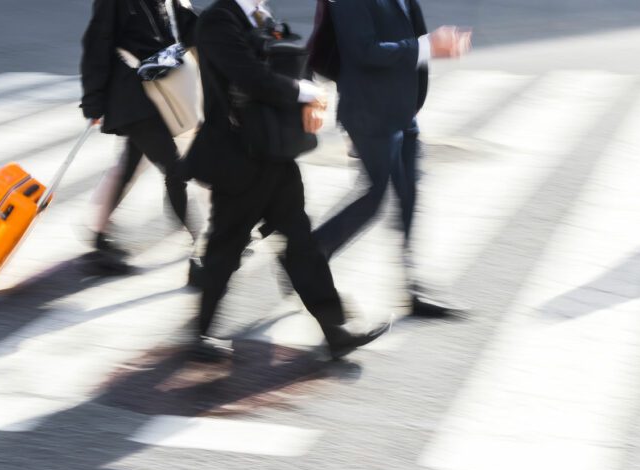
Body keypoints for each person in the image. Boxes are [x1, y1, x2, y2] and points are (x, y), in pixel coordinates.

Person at [184, 0, 389, 361]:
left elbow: (292, 59)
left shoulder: (260, 16)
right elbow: (248, 76)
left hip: (274, 155)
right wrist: (304, 92)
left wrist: (309, 94)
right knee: (225, 249)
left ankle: (335, 330)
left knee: (301, 243)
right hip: (239, 157)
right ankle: (199, 334)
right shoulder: (218, 19)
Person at [312, 0, 471, 317]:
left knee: (409, 194)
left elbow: (409, 28)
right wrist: (427, 46)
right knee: (376, 195)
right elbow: (364, 51)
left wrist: (418, 86)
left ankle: (411, 290)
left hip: (403, 108)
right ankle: (308, 254)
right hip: (368, 111)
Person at [80, 0, 200, 274]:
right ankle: (203, 242)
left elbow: (190, 24)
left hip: (157, 92)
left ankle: (98, 239)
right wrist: (93, 101)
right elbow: (96, 44)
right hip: (132, 100)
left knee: (129, 167)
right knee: (175, 169)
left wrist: (234, 29)